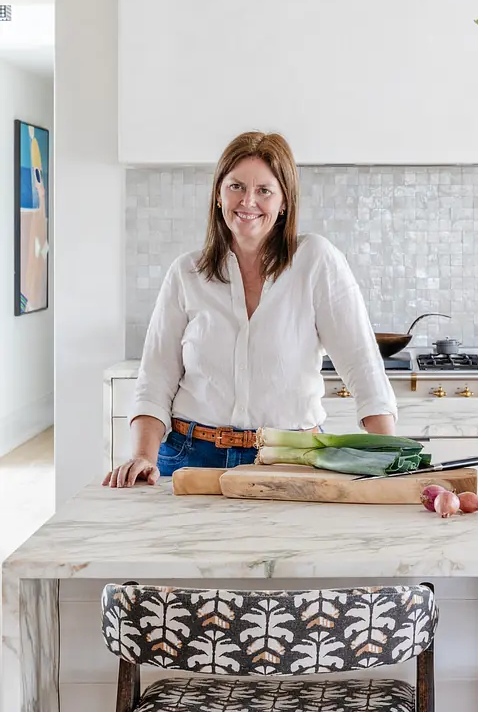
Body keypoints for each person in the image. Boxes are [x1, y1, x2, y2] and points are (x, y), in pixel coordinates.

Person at [104, 131, 397, 487]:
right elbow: (155, 379)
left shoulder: (316, 261)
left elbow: (362, 366)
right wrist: (142, 456)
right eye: (236, 186)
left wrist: (391, 457)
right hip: (191, 457)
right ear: (218, 195)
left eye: (264, 190)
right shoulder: (186, 273)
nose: (248, 201)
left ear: (284, 201)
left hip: (294, 459)